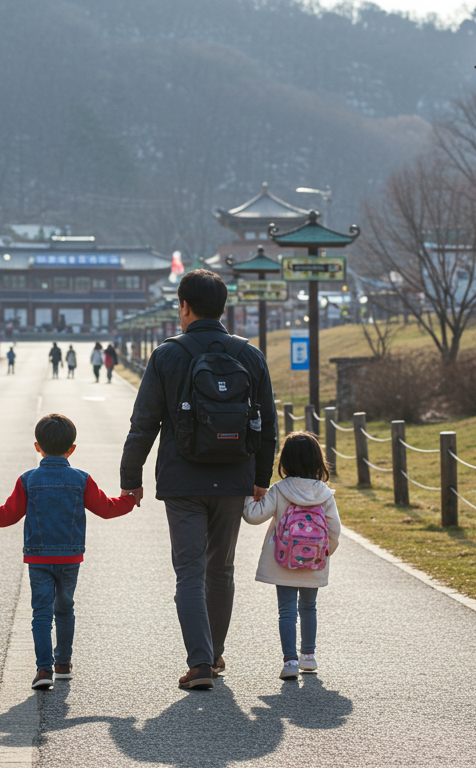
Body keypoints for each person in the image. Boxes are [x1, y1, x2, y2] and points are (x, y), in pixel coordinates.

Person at [119, 269, 277, 690]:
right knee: (221, 569)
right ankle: (215, 653)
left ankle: (200, 662)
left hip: (183, 480)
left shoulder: (168, 355)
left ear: (184, 307)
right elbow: (267, 425)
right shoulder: (249, 355)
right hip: (233, 477)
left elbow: (143, 424)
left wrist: (130, 478)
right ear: (223, 307)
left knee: (189, 571)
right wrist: (260, 478)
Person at [0, 414, 137, 690]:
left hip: (38, 557)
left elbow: (7, 515)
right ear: (72, 449)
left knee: (41, 613)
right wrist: (129, 500)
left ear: (38, 447)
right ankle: (64, 664)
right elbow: (106, 508)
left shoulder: (28, 480)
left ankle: (44, 670)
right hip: (70, 557)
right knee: (65, 608)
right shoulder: (81, 480)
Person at [242, 432, 341, 680]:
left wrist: (246, 493)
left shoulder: (280, 490)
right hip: (313, 565)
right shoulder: (325, 494)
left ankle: (290, 661)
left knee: (287, 610)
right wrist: (320, 556)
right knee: (309, 607)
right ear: (318, 460)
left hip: (282, 562)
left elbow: (253, 516)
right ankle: (308, 656)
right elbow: (335, 531)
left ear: (285, 461)